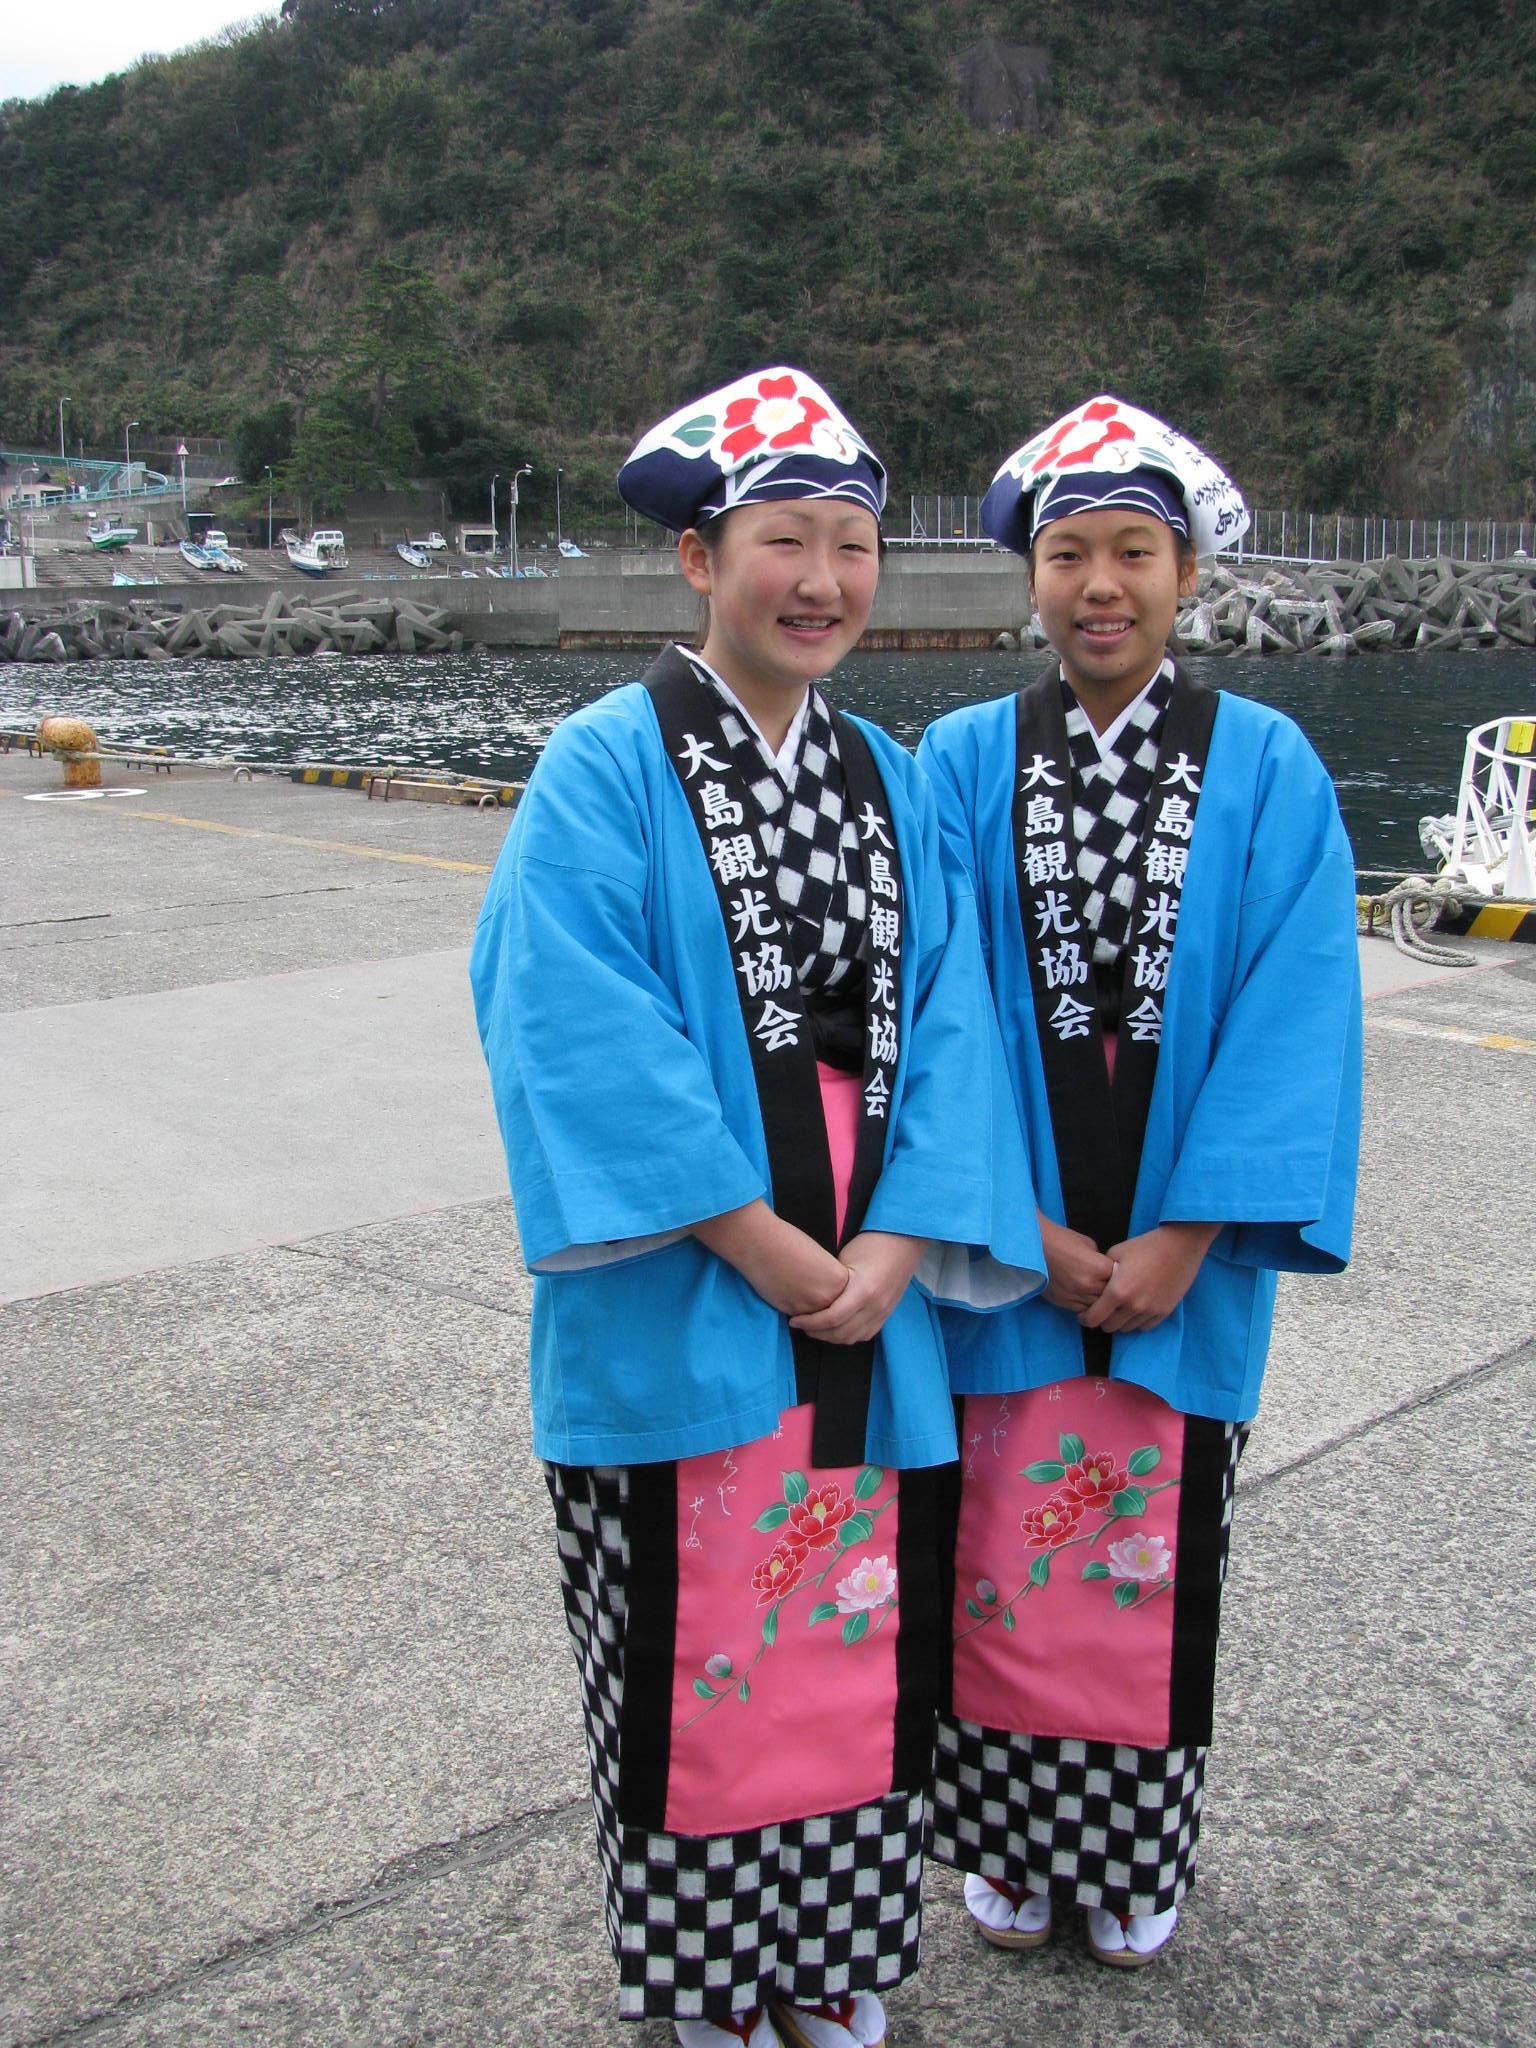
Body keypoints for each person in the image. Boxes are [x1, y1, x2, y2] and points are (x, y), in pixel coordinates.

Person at [470, 367, 1042, 2047]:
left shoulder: (892, 776)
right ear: (698, 561)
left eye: (851, 546)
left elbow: (956, 1024)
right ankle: (719, 1975)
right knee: (694, 1626)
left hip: (874, 1280)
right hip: (698, 1281)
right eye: (783, 539)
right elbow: (577, 1030)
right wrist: (770, 1245)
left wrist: (897, 1240)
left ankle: (839, 1952)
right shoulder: (602, 765)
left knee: (854, 1623)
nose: (822, 580)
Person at [917, 395, 1362, 1969]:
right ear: (1030, 580)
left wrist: (1188, 1233)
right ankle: (1010, 1851)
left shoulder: (1269, 762)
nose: (1099, 586)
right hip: (1014, 1255)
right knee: (992, 1552)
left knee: (1155, 1553)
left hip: (1185, 1254)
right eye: (1068, 557)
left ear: (1187, 577)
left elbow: (1297, 1010)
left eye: (1132, 554)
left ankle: (1132, 1857)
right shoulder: (961, 761)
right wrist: (1018, 1230)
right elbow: (934, 1009)